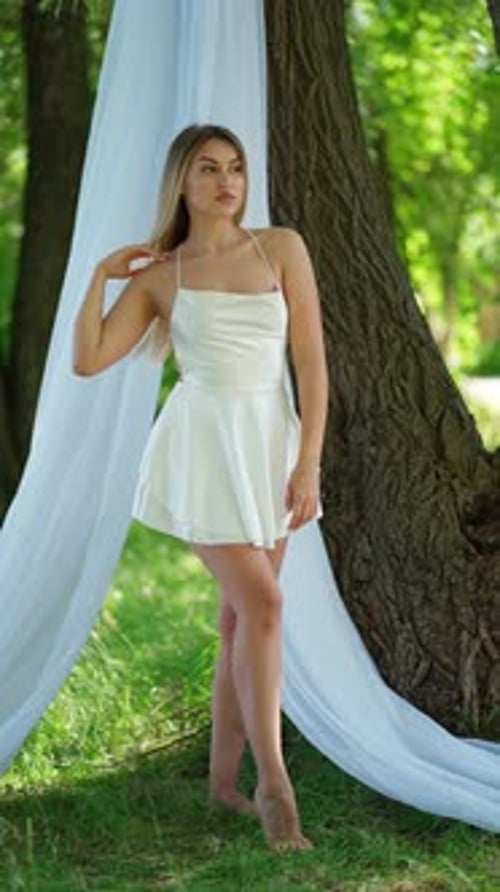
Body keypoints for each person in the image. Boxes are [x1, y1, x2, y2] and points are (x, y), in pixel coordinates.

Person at [73, 123, 329, 851]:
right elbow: (89, 360)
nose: (227, 182)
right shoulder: (163, 276)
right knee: (266, 603)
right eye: (210, 169)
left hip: (270, 444)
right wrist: (101, 276)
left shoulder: (280, 247)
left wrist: (307, 462)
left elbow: (312, 365)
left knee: (238, 621)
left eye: (237, 168)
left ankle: (221, 785)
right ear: (182, 183)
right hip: (202, 449)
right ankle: (273, 784)